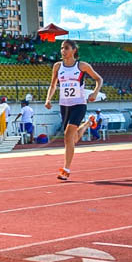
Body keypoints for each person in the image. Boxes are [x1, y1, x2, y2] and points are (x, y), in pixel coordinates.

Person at [44, 39, 103, 181]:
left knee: (67, 135)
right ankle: (88, 123)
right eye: (61, 48)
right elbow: (53, 85)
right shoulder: (57, 66)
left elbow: (99, 79)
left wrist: (94, 93)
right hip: (64, 105)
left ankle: (66, 169)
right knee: (72, 138)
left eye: (66, 48)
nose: (63, 51)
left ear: (74, 50)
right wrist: (48, 99)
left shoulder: (82, 66)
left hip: (79, 104)